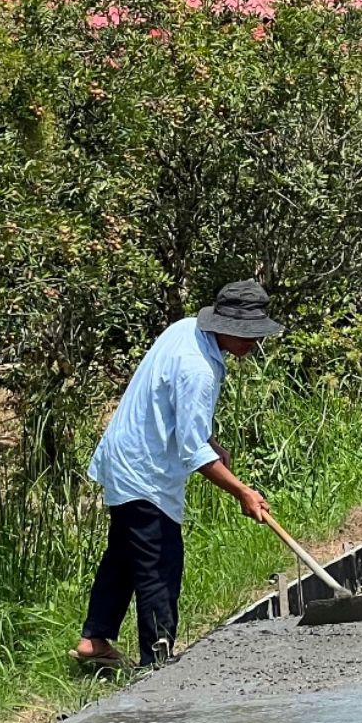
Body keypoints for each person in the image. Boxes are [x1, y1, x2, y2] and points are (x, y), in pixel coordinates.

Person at [75, 279, 282, 670]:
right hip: (145, 471)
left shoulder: (185, 329)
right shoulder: (198, 369)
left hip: (126, 457)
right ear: (226, 325)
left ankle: (94, 639)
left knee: (123, 554)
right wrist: (242, 491)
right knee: (160, 563)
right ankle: (157, 659)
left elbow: (183, 420)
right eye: (248, 336)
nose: (252, 345)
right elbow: (193, 452)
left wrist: (210, 440)